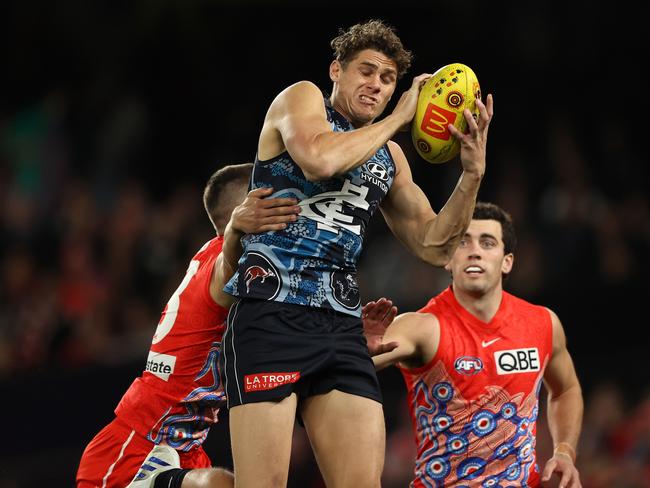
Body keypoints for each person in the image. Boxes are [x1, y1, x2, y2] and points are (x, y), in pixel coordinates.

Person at [221, 19, 494, 487]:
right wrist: (398, 119)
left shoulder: (389, 157)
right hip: (270, 315)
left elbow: (433, 246)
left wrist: (471, 175)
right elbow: (319, 159)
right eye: (366, 72)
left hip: (341, 328)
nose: (377, 85)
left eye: (388, 80)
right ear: (336, 70)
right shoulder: (300, 99)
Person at [75, 163, 301, 488]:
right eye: (273, 200)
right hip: (135, 449)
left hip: (184, 450)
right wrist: (237, 234)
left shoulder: (253, 277)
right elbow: (229, 267)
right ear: (247, 211)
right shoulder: (219, 268)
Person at [371, 202, 584, 488]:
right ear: (447, 259)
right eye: (463, 242)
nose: (475, 251)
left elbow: (566, 389)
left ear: (507, 261)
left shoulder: (543, 323)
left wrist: (565, 452)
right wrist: (359, 346)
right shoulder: (422, 327)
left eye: (487, 242)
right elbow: (353, 362)